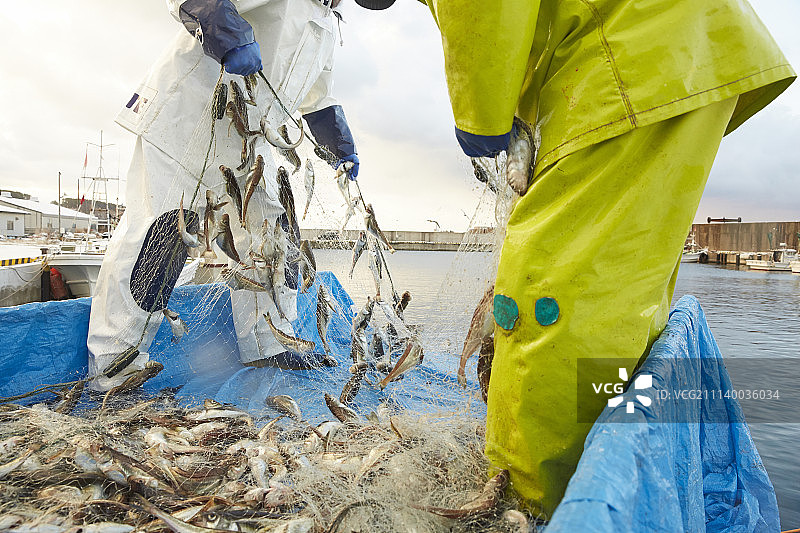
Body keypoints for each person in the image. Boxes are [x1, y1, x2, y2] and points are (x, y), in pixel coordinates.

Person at [356, 0, 795, 516]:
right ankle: (598, 491)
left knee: (544, 298)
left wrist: (484, 112)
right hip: (676, 54)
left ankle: (528, 504)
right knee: (614, 294)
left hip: (626, 65)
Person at [88, 0, 359, 390]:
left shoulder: (328, 21)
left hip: (253, 141)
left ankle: (271, 340)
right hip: (188, 120)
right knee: (161, 235)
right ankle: (114, 366)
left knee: (275, 235)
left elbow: (316, 96)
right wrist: (224, 28)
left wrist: (340, 143)